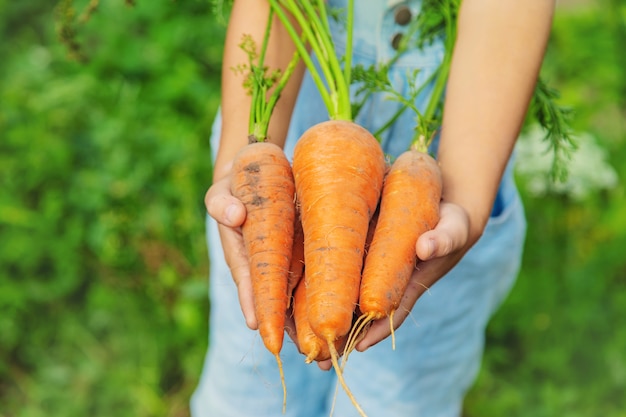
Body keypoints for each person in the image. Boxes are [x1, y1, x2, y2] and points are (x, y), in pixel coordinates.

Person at [191, 0, 555, 416]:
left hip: (450, 170)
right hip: (287, 155)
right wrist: (246, 159)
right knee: (246, 397)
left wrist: (467, 200)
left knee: (398, 399)